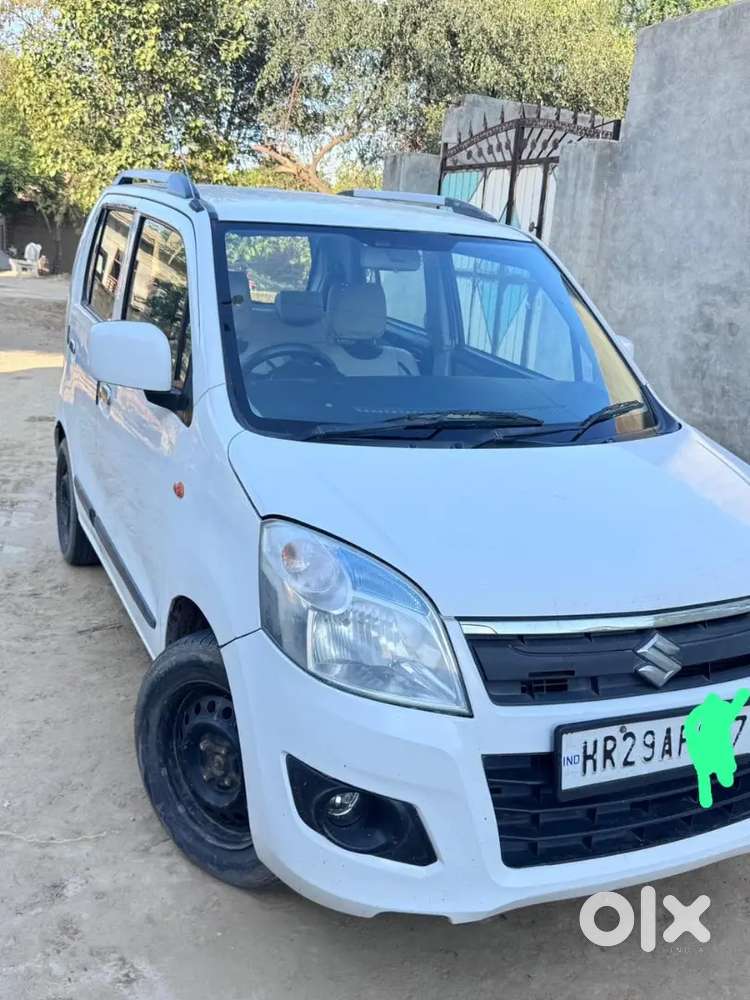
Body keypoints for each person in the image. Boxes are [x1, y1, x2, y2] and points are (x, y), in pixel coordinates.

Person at [685, 689, 750, 808]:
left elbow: (690, 726)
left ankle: (706, 800)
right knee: (705, 776)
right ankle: (706, 799)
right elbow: (735, 707)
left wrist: (693, 741)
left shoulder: (702, 710)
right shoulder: (722, 709)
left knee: (703, 776)